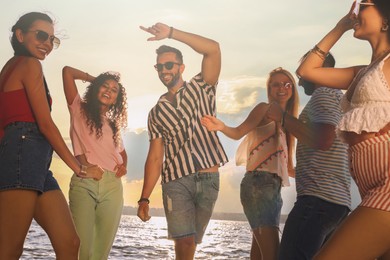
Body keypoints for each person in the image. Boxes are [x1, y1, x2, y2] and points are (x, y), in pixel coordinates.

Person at [0, 12, 103, 259]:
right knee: (10, 249)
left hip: (35, 162)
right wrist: (79, 168)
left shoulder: (11, 68)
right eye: (42, 35)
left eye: (52, 40)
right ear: (20, 35)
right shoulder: (28, 64)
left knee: (69, 242)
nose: (47, 43)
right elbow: (45, 125)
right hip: (21, 156)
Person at [295, 1, 390, 259]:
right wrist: (340, 27)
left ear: (385, 20)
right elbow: (306, 71)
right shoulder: (362, 73)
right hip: (370, 189)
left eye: (366, 5)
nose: (357, 11)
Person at [136, 22, 228, 259]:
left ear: (181, 67)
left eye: (169, 65)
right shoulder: (156, 112)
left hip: (209, 177)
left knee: (193, 242)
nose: (164, 70)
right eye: (159, 67)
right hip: (175, 180)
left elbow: (213, 49)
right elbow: (155, 157)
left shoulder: (203, 86)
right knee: (184, 243)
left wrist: (172, 34)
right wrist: (144, 198)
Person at [201, 67, 299, 260]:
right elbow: (238, 132)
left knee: (260, 254)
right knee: (273, 254)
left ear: (293, 89)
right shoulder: (265, 109)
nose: (282, 88)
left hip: (274, 190)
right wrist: (220, 126)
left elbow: (288, 169)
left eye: (287, 84)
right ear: (269, 89)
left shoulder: (289, 124)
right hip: (257, 185)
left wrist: (320, 172)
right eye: (276, 84)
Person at [266, 53, 351, 260]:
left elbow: (324, 140)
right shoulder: (340, 99)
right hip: (336, 204)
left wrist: (283, 117)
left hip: (317, 202)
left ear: (320, 71)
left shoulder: (323, 93)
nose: (300, 79)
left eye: (304, 71)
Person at [62, 66, 128, 259]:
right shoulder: (78, 108)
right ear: (96, 88)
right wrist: (95, 79)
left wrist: (123, 166)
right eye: (104, 86)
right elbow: (67, 72)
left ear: (117, 99)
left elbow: (122, 153)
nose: (108, 91)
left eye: (114, 90)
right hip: (85, 180)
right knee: (81, 248)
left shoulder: (113, 124)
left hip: (112, 186)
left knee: (100, 253)